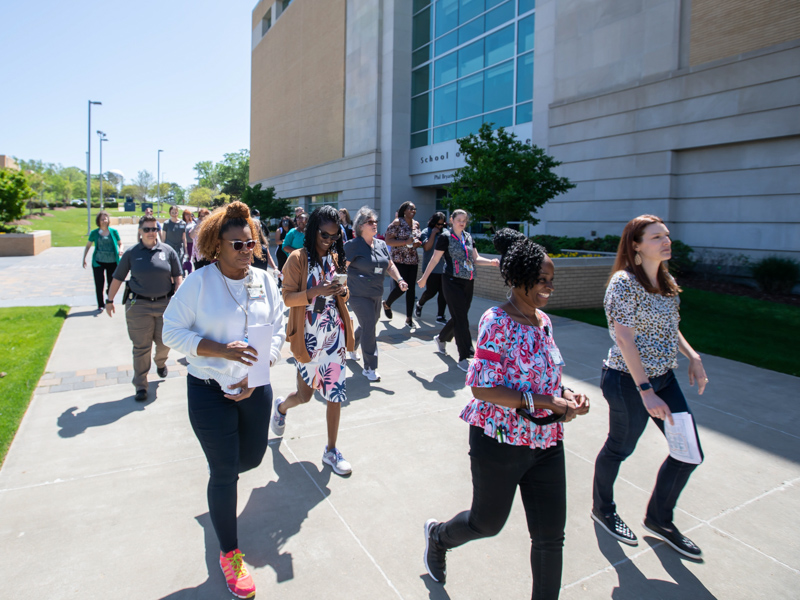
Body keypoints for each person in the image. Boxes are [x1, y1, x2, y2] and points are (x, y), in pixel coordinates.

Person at [423, 229, 590, 599]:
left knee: (550, 538)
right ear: (516, 279)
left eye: (550, 280)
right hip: (499, 444)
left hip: (547, 444)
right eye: (540, 280)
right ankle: (438, 536)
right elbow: (482, 388)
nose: (547, 287)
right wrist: (548, 403)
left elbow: (546, 380)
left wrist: (568, 395)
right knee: (486, 524)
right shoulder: (496, 321)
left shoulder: (544, 322)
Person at [162, 201, 286, 599]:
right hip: (209, 390)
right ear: (216, 246)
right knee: (225, 472)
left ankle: (219, 502)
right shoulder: (199, 283)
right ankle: (229, 554)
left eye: (251, 243)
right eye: (237, 245)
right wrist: (220, 350)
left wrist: (260, 366)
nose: (246, 250)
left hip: (255, 386)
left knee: (251, 459)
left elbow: (279, 326)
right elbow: (171, 333)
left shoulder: (265, 280)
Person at [591, 214, 708, 559]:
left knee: (687, 452)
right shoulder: (624, 283)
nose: (666, 241)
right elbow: (625, 339)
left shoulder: (665, 280)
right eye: (656, 237)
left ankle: (659, 520)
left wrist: (692, 355)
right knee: (619, 448)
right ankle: (603, 508)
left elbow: (671, 327)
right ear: (636, 245)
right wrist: (646, 391)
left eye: (666, 235)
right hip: (629, 382)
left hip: (665, 378)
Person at [271, 205, 356, 475]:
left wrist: (341, 291)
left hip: (334, 337)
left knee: (335, 394)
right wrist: (315, 291)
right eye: (324, 235)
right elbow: (286, 298)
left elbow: (345, 296)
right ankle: (282, 407)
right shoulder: (297, 258)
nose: (329, 240)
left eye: (334, 236)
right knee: (305, 396)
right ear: (313, 230)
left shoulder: (335, 257)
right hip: (307, 338)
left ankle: (331, 450)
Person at [105, 215, 183, 402]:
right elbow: (117, 277)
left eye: (154, 229)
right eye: (147, 229)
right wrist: (109, 300)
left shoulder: (168, 251)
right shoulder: (132, 253)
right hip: (138, 306)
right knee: (141, 347)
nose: (151, 232)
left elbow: (178, 276)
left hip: (165, 304)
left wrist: (178, 298)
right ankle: (141, 385)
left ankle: (160, 362)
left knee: (165, 342)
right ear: (140, 231)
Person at [417, 209, 499, 372]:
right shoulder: (445, 237)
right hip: (451, 280)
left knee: (459, 316)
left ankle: (441, 338)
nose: (462, 222)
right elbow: (435, 259)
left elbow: (475, 259)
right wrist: (424, 278)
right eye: (459, 219)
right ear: (452, 220)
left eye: (464, 220)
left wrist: (491, 262)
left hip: (468, 281)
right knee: (461, 318)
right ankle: (465, 355)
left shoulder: (468, 237)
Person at [344, 206, 408, 382]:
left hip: (376, 293)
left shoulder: (380, 244)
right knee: (370, 326)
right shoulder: (352, 246)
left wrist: (400, 279)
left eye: (375, 221)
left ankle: (351, 345)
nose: (374, 224)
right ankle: (370, 367)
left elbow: (389, 265)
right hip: (358, 294)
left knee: (368, 325)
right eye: (370, 222)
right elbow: (342, 269)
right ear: (360, 226)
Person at [383, 201, 422, 328]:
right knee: (401, 288)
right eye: (410, 209)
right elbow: (388, 241)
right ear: (404, 210)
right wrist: (406, 242)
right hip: (399, 260)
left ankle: (409, 318)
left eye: (415, 209)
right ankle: (387, 303)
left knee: (411, 290)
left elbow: (415, 238)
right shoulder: (397, 222)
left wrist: (417, 243)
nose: (413, 211)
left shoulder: (416, 224)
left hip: (413, 260)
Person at [82, 210, 123, 311]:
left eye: (105, 218)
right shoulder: (94, 233)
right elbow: (88, 246)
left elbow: (120, 243)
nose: (104, 220)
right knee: (99, 284)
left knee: (111, 284)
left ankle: (109, 299)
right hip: (98, 261)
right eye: (102, 219)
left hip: (112, 262)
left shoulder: (114, 232)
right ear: (98, 221)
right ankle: (100, 304)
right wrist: (84, 258)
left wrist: (120, 250)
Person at [414, 211, 448, 324]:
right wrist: (433, 233)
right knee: (431, 292)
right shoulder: (426, 232)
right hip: (431, 268)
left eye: (442, 224)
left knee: (444, 293)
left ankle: (440, 316)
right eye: (438, 224)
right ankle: (419, 304)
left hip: (444, 268)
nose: (440, 227)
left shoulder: (446, 233)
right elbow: (427, 248)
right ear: (433, 223)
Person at [161, 205, 188, 274]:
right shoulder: (166, 224)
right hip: (169, 247)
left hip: (179, 247)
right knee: (169, 264)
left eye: (176, 212)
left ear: (178, 213)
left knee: (179, 263)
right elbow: (163, 237)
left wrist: (186, 250)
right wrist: (162, 248)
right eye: (172, 213)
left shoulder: (183, 223)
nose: (174, 214)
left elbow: (184, 238)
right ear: (170, 213)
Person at [182, 209, 196, 274]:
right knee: (183, 255)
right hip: (183, 242)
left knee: (189, 257)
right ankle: (184, 267)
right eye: (186, 214)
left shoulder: (193, 223)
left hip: (191, 242)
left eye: (189, 214)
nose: (188, 216)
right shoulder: (182, 223)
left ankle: (189, 269)